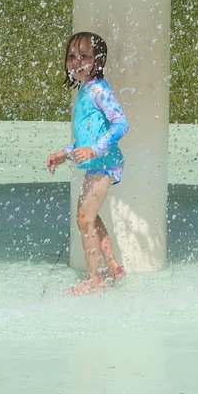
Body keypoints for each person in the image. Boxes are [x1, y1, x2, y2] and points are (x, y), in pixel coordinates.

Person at [46, 31, 130, 294]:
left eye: (84, 56)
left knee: (84, 219)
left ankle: (94, 279)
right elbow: (87, 136)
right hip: (98, 164)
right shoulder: (86, 90)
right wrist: (65, 153)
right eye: (72, 56)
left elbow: (121, 123)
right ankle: (113, 266)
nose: (76, 61)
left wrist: (94, 150)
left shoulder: (98, 91)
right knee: (89, 217)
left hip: (105, 163)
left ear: (98, 60)